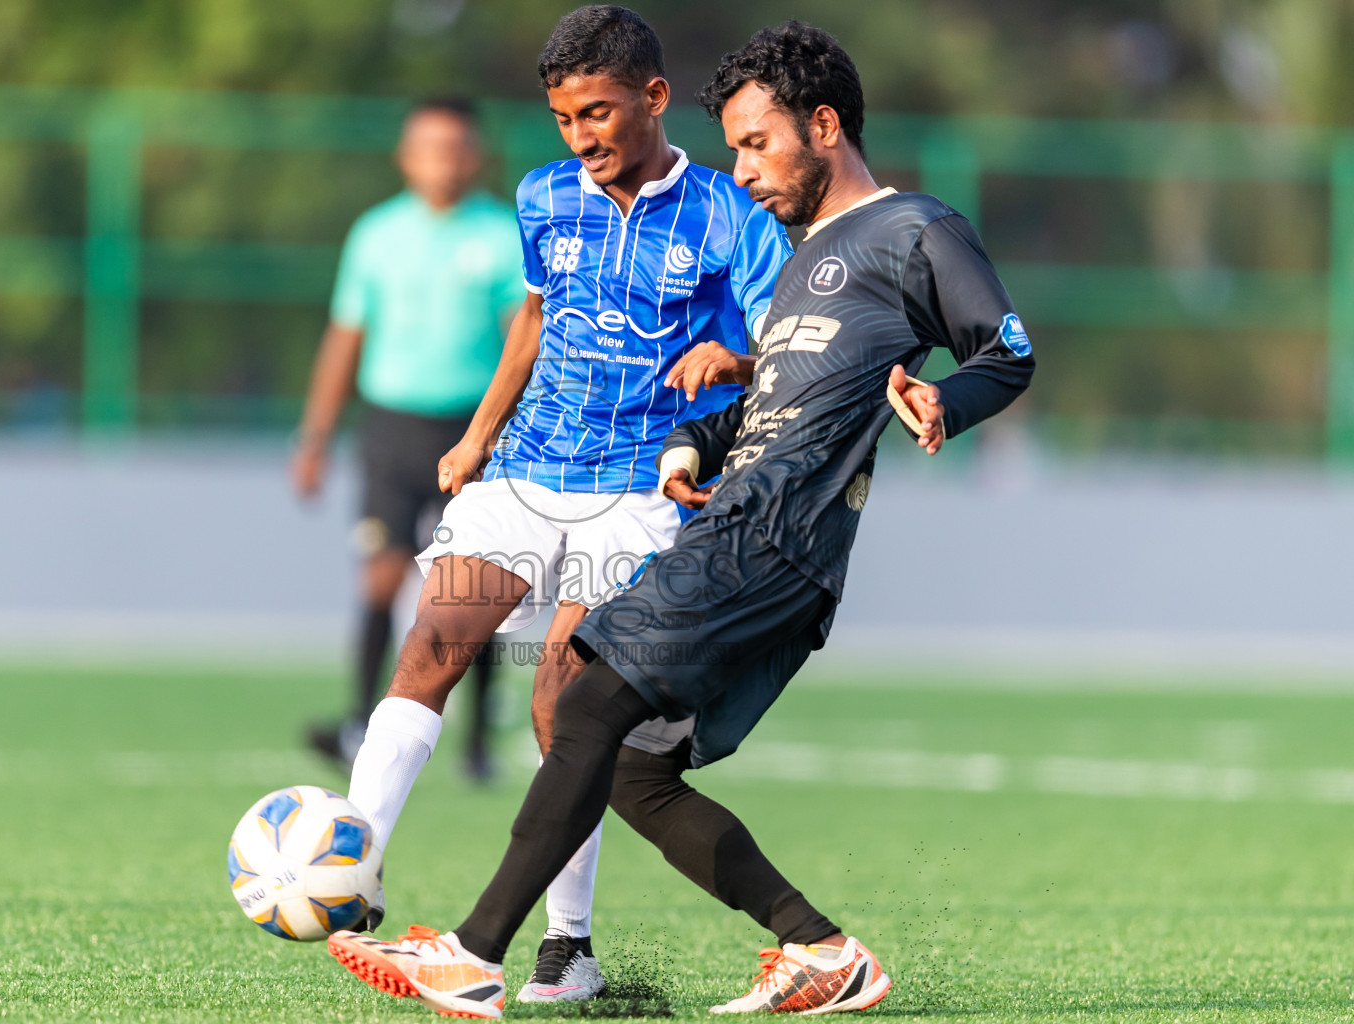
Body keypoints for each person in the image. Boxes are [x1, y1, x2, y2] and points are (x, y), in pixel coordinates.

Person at [323, 20, 1037, 1019]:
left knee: (580, 709)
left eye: (757, 144)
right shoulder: (804, 258)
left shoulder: (913, 229)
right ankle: (821, 949)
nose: (744, 170)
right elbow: (786, 386)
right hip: (725, 513)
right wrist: (695, 439)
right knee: (632, 771)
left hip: (765, 536)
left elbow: (1005, 349)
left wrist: (943, 402)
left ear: (823, 126)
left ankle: (477, 952)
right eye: (736, 147)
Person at [333, 4, 793, 1003]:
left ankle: (566, 944)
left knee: (561, 703)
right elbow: (533, 321)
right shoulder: (543, 197)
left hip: (640, 494)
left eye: (598, 113)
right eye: (564, 119)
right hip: (529, 469)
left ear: (654, 98)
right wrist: (478, 434)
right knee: (432, 644)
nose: (582, 138)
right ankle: (348, 868)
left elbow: (785, 348)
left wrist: (736, 357)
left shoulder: (727, 214)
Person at [293, 97, 520, 781]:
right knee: (382, 575)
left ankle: (478, 742)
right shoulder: (376, 234)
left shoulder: (504, 235)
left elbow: (525, 337)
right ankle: (361, 722)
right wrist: (315, 437)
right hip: (392, 426)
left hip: (473, 430)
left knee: (473, 588)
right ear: (405, 155)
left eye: (455, 147)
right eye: (428, 146)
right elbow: (345, 336)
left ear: (476, 155)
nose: (442, 160)